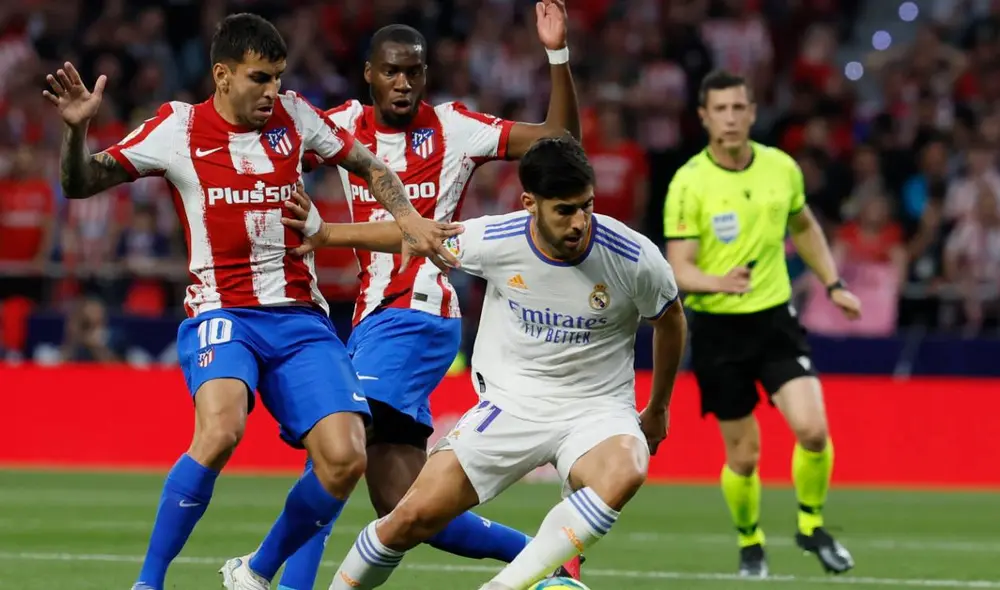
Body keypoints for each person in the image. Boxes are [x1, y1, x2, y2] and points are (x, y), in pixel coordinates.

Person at [41, 13, 457, 590]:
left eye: (279, 78)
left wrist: (408, 217)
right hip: (222, 311)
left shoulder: (297, 117)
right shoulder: (176, 128)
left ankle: (256, 571)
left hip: (300, 319)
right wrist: (76, 131)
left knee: (345, 459)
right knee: (220, 431)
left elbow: (369, 164)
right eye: (260, 78)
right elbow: (80, 183)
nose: (272, 92)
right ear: (222, 75)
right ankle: (148, 583)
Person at [282, 135, 687, 590]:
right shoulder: (497, 239)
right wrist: (327, 235)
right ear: (529, 203)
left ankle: (503, 587)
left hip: (597, 408)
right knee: (407, 520)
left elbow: (671, 321)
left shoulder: (633, 256)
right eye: (565, 210)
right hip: (510, 405)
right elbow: (416, 233)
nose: (580, 223)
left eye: (587, 206)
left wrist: (658, 408)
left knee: (627, 468)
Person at [273, 2, 584, 588]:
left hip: (419, 309)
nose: (403, 82)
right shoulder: (341, 125)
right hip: (371, 317)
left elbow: (559, 140)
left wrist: (556, 54)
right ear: (369, 74)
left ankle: (283, 583)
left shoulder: (455, 128)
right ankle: (545, 556)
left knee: (338, 448)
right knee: (404, 505)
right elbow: (270, 148)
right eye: (391, 70)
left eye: (414, 71)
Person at [662, 70, 861, 578]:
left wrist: (834, 284)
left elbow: (805, 226)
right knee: (745, 457)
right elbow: (678, 266)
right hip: (717, 331)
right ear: (704, 117)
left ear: (752, 112)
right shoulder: (689, 182)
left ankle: (811, 526)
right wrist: (715, 282)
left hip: (773, 319)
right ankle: (751, 541)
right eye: (720, 110)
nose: (730, 118)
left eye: (738, 108)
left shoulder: (782, 169)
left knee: (813, 431)